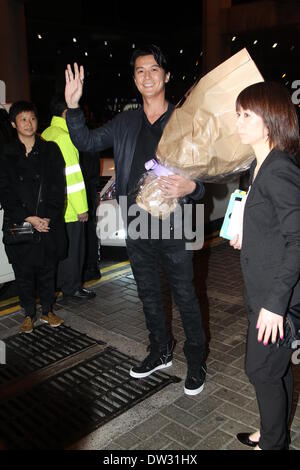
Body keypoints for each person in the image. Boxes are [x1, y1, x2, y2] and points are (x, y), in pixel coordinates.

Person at [64, 44, 207, 395]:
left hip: (178, 222)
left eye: (154, 69)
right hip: (137, 222)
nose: (147, 76)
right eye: (140, 71)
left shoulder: (185, 120)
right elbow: (87, 141)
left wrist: (193, 186)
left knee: (185, 295)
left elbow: (208, 175)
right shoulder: (126, 121)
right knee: (147, 294)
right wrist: (73, 107)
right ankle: (160, 351)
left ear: (167, 76)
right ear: (134, 78)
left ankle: (196, 358)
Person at [230, 82, 300, 450]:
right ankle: (275, 433)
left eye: (246, 115)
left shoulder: (279, 169)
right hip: (263, 290)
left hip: (277, 299)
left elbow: (298, 238)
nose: (238, 122)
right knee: (277, 368)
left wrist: (275, 304)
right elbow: (274, 226)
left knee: (259, 369)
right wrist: (249, 232)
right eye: (237, 114)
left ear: (270, 121)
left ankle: (273, 444)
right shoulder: (259, 166)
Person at [0, 101, 66, 333]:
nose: (29, 124)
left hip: (47, 224)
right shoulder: (6, 154)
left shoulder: (51, 150)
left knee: (48, 270)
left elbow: (60, 188)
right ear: (13, 123)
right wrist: (28, 217)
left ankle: (47, 310)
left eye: (32, 118)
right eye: (23, 119)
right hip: (21, 224)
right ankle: (29, 313)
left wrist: (48, 217)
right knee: (23, 272)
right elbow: (5, 193)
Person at [42, 95, 96, 301]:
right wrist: (82, 207)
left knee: (60, 249)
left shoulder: (47, 132)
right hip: (70, 207)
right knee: (74, 249)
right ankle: (72, 287)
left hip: (54, 206)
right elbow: (73, 176)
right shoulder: (66, 136)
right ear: (66, 113)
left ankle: (60, 285)